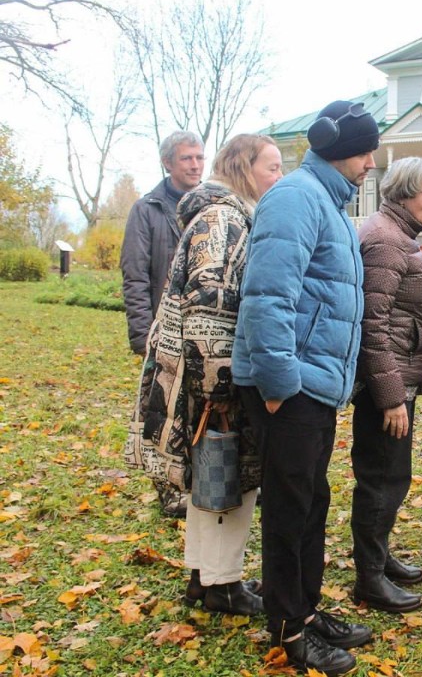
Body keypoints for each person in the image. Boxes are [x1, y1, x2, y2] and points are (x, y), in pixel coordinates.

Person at [232, 100, 378, 676]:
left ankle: (308, 611)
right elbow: (267, 296)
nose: (371, 162)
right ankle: (289, 625)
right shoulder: (296, 197)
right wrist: (277, 383)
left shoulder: (330, 204)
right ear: (340, 150)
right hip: (289, 386)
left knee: (312, 501)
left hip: (315, 383)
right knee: (290, 508)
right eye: (366, 151)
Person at [127, 134, 283, 615]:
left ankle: (204, 577)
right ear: (244, 167)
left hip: (203, 373)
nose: (279, 177)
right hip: (213, 377)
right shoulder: (224, 217)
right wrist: (218, 386)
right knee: (226, 478)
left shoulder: (223, 213)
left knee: (212, 479)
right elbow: (208, 306)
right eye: (272, 167)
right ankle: (222, 585)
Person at [350, 157, 422, 613]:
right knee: (381, 479)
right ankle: (368, 578)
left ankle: (379, 557)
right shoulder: (386, 241)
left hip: (399, 380)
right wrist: (390, 398)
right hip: (385, 388)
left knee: (392, 476)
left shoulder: (396, 235)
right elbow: (373, 325)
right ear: (405, 191)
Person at [121, 130, 205, 518]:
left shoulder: (206, 207)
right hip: (160, 331)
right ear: (167, 163)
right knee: (161, 411)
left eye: (199, 157)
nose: (194, 165)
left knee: (194, 409)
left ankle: (194, 480)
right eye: (186, 158)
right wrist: (141, 334)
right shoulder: (148, 209)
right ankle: (168, 489)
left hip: (199, 331)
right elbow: (135, 275)